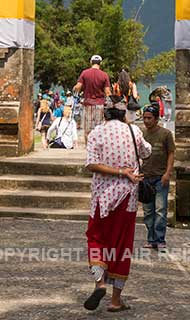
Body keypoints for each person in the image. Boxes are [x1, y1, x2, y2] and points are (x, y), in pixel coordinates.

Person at [83, 95, 151, 312]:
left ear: (104, 113)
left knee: (96, 239)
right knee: (121, 246)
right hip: (127, 198)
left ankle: (99, 282)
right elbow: (146, 152)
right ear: (124, 114)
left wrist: (117, 171)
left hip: (101, 197)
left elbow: (92, 164)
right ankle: (115, 300)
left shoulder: (96, 133)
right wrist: (125, 170)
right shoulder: (133, 131)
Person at [141, 104, 175, 249]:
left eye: (149, 118)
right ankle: (151, 238)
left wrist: (167, 173)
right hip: (145, 177)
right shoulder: (141, 134)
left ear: (156, 119)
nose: (146, 121)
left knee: (160, 209)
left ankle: (160, 239)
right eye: (144, 118)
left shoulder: (165, 134)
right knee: (148, 210)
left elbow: (171, 154)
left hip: (160, 176)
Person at [74, 55, 112, 145]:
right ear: (100, 63)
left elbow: (78, 87)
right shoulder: (104, 75)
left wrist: (75, 89)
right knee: (99, 128)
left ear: (91, 62)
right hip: (100, 105)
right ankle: (98, 147)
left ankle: (89, 148)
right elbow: (107, 92)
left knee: (88, 129)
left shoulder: (84, 73)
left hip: (88, 104)